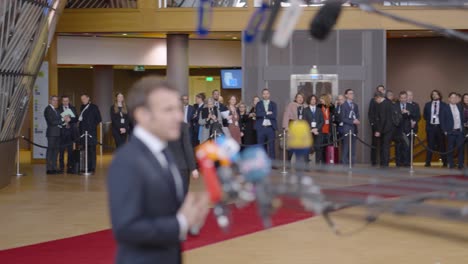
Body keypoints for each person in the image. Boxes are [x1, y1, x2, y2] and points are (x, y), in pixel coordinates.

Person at [107, 77, 210, 264]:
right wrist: (181, 223)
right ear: (142, 115)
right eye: (168, 110)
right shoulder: (127, 160)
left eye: (178, 109)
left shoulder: (163, 153)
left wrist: (190, 217)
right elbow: (126, 228)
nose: (178, 117)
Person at [168, 122, 199, 195]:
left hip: (166, 166)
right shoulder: (182, 126)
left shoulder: (158, 126)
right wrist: (193, 168)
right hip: (182, 166)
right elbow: (187, 147)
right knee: (183, 194)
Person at [441, 92, 465, 169]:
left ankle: (460, 165)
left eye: (455, 97)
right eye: (452, 97)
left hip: (460, 132)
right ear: (449, 99)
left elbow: (462, 119)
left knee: (460, 149)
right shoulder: (445, 108)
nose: (454, 99)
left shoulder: (460, 107)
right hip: (450, 132)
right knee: (450, 149)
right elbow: (442, 120)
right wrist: (445, 130)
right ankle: (451, 164)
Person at [78, 94, 102, 173]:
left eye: (84, 98)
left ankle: (92, 167)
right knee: (85, 151)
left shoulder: (94, 107)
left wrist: (91, 126)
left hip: (91, 133)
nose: (83, 100)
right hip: (83, 133)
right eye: (82, 99)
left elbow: (99, 119)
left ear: (88, 98)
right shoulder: (82, 107)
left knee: (92, 151)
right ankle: (86, 166)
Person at [423, 90, 447, 167]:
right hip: (431, 128)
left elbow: (446, 117)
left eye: (436, 94)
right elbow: (425, 116)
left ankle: (445, 162)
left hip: (440, 127)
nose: (434, 95)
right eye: (433, 94)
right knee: (430, 145)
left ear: (439, 96)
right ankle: (427, 162)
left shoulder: (444, 105)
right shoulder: (427, 105)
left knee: (442, 145)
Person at [282, 93, 306, 160]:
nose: (300, 99)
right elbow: (286, 116)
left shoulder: (305, 106)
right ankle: (289, 162)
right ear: (295, 98)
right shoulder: (291, 105)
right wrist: (286, 127)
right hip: (293, 127)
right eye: (298, 97)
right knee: (291, 146)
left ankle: (299, 164)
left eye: (301, 97)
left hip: (302, 129)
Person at [255, 88, 278, 160]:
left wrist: (264, 114)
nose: (265, 95)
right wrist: (268, 113)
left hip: (270, 128)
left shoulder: (273, 104)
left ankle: (272, 163)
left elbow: (274, 115)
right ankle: (262, 163)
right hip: (261, 128)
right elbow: (258, 114)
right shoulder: (258, 104)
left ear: (269, 94)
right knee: (261, 147)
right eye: (264, 93)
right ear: (262, 95)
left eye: (267, 93)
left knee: (271, 146)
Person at [58, 95, 78, 173]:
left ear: (69, 101)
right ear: (62, 101)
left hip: (70, 132)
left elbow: (76, 118)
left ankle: (70, 167)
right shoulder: (58, 109)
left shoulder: (72, 108)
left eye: (67, 101)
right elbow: (57, 119)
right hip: (62, 132)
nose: (65, 102)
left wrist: (70, 119)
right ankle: (61, 167)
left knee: (70, 151)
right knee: (61, 151)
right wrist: (63, 119)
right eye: (64, 101)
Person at [44, 96, 64, 174]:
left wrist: (65, 121)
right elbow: (52, 122)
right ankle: (49, 169)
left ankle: (54, 167)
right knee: (50, 150)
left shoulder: (57, 110)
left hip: (58, 133)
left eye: (56, 100)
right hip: (52, 133)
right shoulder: (48, 109)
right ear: (50, 101)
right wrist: (63, 120)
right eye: (54, 100)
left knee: (56, 151)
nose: (55, 102)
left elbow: (60, 121)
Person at [340, 89, 360, 165]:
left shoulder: (355, 105)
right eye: (350, 93)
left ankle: (352, 162)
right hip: (347, 129)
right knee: (346, 146)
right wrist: (352, 121)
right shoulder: (343, 105)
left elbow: (357, 115)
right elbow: (343, 118)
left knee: (353, 147)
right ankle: (345, 162)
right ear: (346, 95)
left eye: (353, 93)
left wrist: (357, 120)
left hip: (354, 129)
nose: (352, 94)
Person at [304, 95, 324, 164]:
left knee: (318, 148)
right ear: (309, 100)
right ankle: (306, 165)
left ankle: (317, 164)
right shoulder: (305, 110)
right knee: (307, 148)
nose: (313, 100)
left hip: (318, 132)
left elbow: (322, 121)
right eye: (312, 99)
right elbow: (304, 121)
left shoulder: (319, 110)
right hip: (308, 132)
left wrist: (316, 129)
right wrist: (311, 129)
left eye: (314, 99)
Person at [368, 85, 386, 166]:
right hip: (375, 126)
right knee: (374, 144)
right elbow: (370, 113)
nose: (381, 91)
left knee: (383, 144)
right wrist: (372, 123)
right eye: (379, 90)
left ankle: (383, 161)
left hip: (385, 127)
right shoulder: (373, 100)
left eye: (382, 90)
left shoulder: (386, 101)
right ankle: (373, 161)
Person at [395, 91, 414, 167]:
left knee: (407, 147)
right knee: (398, 147)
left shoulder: (411, 106)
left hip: (407, 130)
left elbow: (415, 115)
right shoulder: (395, 106)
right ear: (399, 98)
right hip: (397, 130)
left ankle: (406, 162)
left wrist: (408, 113)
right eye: (401, 98)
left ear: (407, 98)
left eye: (404, 98)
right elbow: (393, 116)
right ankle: (398, 163)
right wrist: (400, 113)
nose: (403, 99)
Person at [318, 94, 335, 162]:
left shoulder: (331, 107)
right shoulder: (319, 107)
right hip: (321, 129)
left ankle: (327, 161)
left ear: (325, 99)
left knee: (328, 147)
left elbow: (334, 117)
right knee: (321, 147)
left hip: (328, 130)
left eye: (321, 99)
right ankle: (321, 161)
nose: (320, 100)